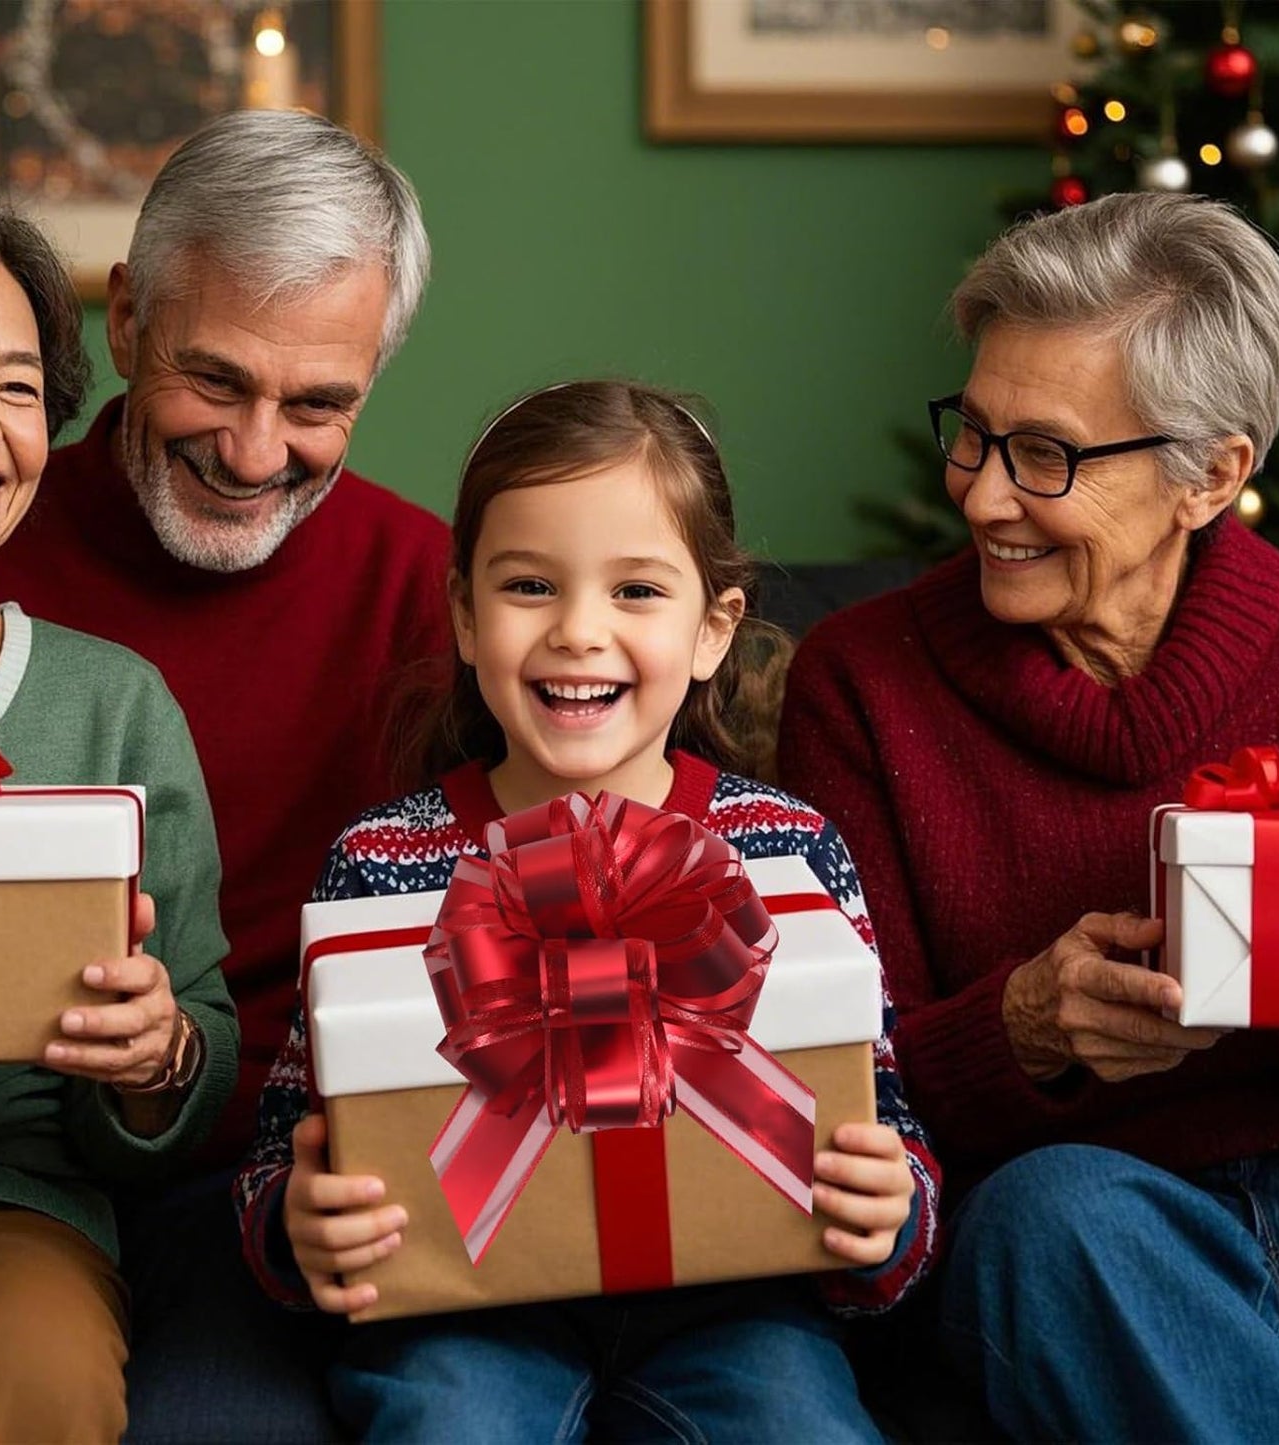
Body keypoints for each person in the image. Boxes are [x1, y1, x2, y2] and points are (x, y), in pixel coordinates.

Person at [235, 379, 942, 1443]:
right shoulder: (382, 863)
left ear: (713, 630)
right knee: (450, 1418)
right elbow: (283, 1142)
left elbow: (881, 1119)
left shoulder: (786, 851)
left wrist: (887, 1216)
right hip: (462, 1308)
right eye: (528, 585)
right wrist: (296, 1221)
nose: (576, 631)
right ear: (466, 617)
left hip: (736, 1305)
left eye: (635, 592)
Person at [779, 192, 1279, 1443]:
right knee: (1057, 1214)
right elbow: (826, 1100)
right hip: (1078, 1230)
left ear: (1214, 475)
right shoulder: (862, 682)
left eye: (1046, 456)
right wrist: (1016, 1030)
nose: (977, 498)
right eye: (970, 435)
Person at [0, 110, 451, 1440]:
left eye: (317, 405)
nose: (255, 454)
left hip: (279, 1174)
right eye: (216, 382)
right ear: (124, 321)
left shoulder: (440, 592)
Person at [0, 177, 236, 1443]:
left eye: (20, 387)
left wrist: (155, 1059)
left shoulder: (112, 705)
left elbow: (198, 1039)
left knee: (27, 1364)